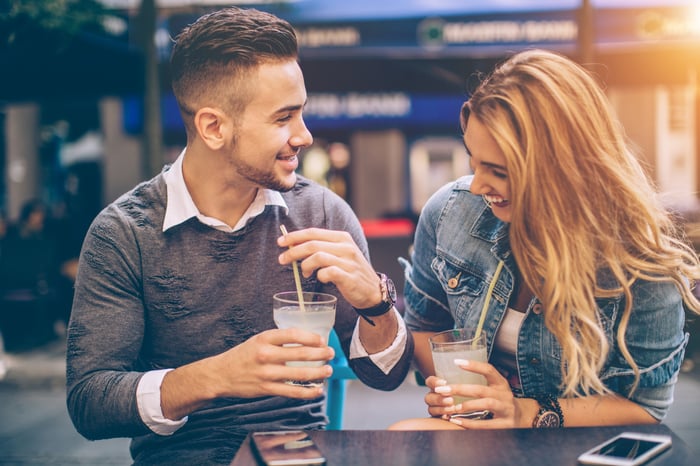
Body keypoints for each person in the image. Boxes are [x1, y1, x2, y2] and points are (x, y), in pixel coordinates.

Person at [66, 7, 412, 465]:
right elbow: (90, 401)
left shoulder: (321, 212)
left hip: (298, 455)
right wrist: (219, 375)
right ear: (213, 127)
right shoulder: (124, 234)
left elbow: (386, 376)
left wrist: (377, 303)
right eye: (283, 117)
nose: (305, 135)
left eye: (301, 113)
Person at [389, 49, 700, 431]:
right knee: (404, 436)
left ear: (561, 171)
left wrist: (526, 413)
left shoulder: (640, 260)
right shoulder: (450, 213)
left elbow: (645, 408)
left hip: (582, 439)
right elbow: (423, 329)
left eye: (498, 171)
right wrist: (457, 389)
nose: (477, 185)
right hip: (482, 432)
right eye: (473, 160)